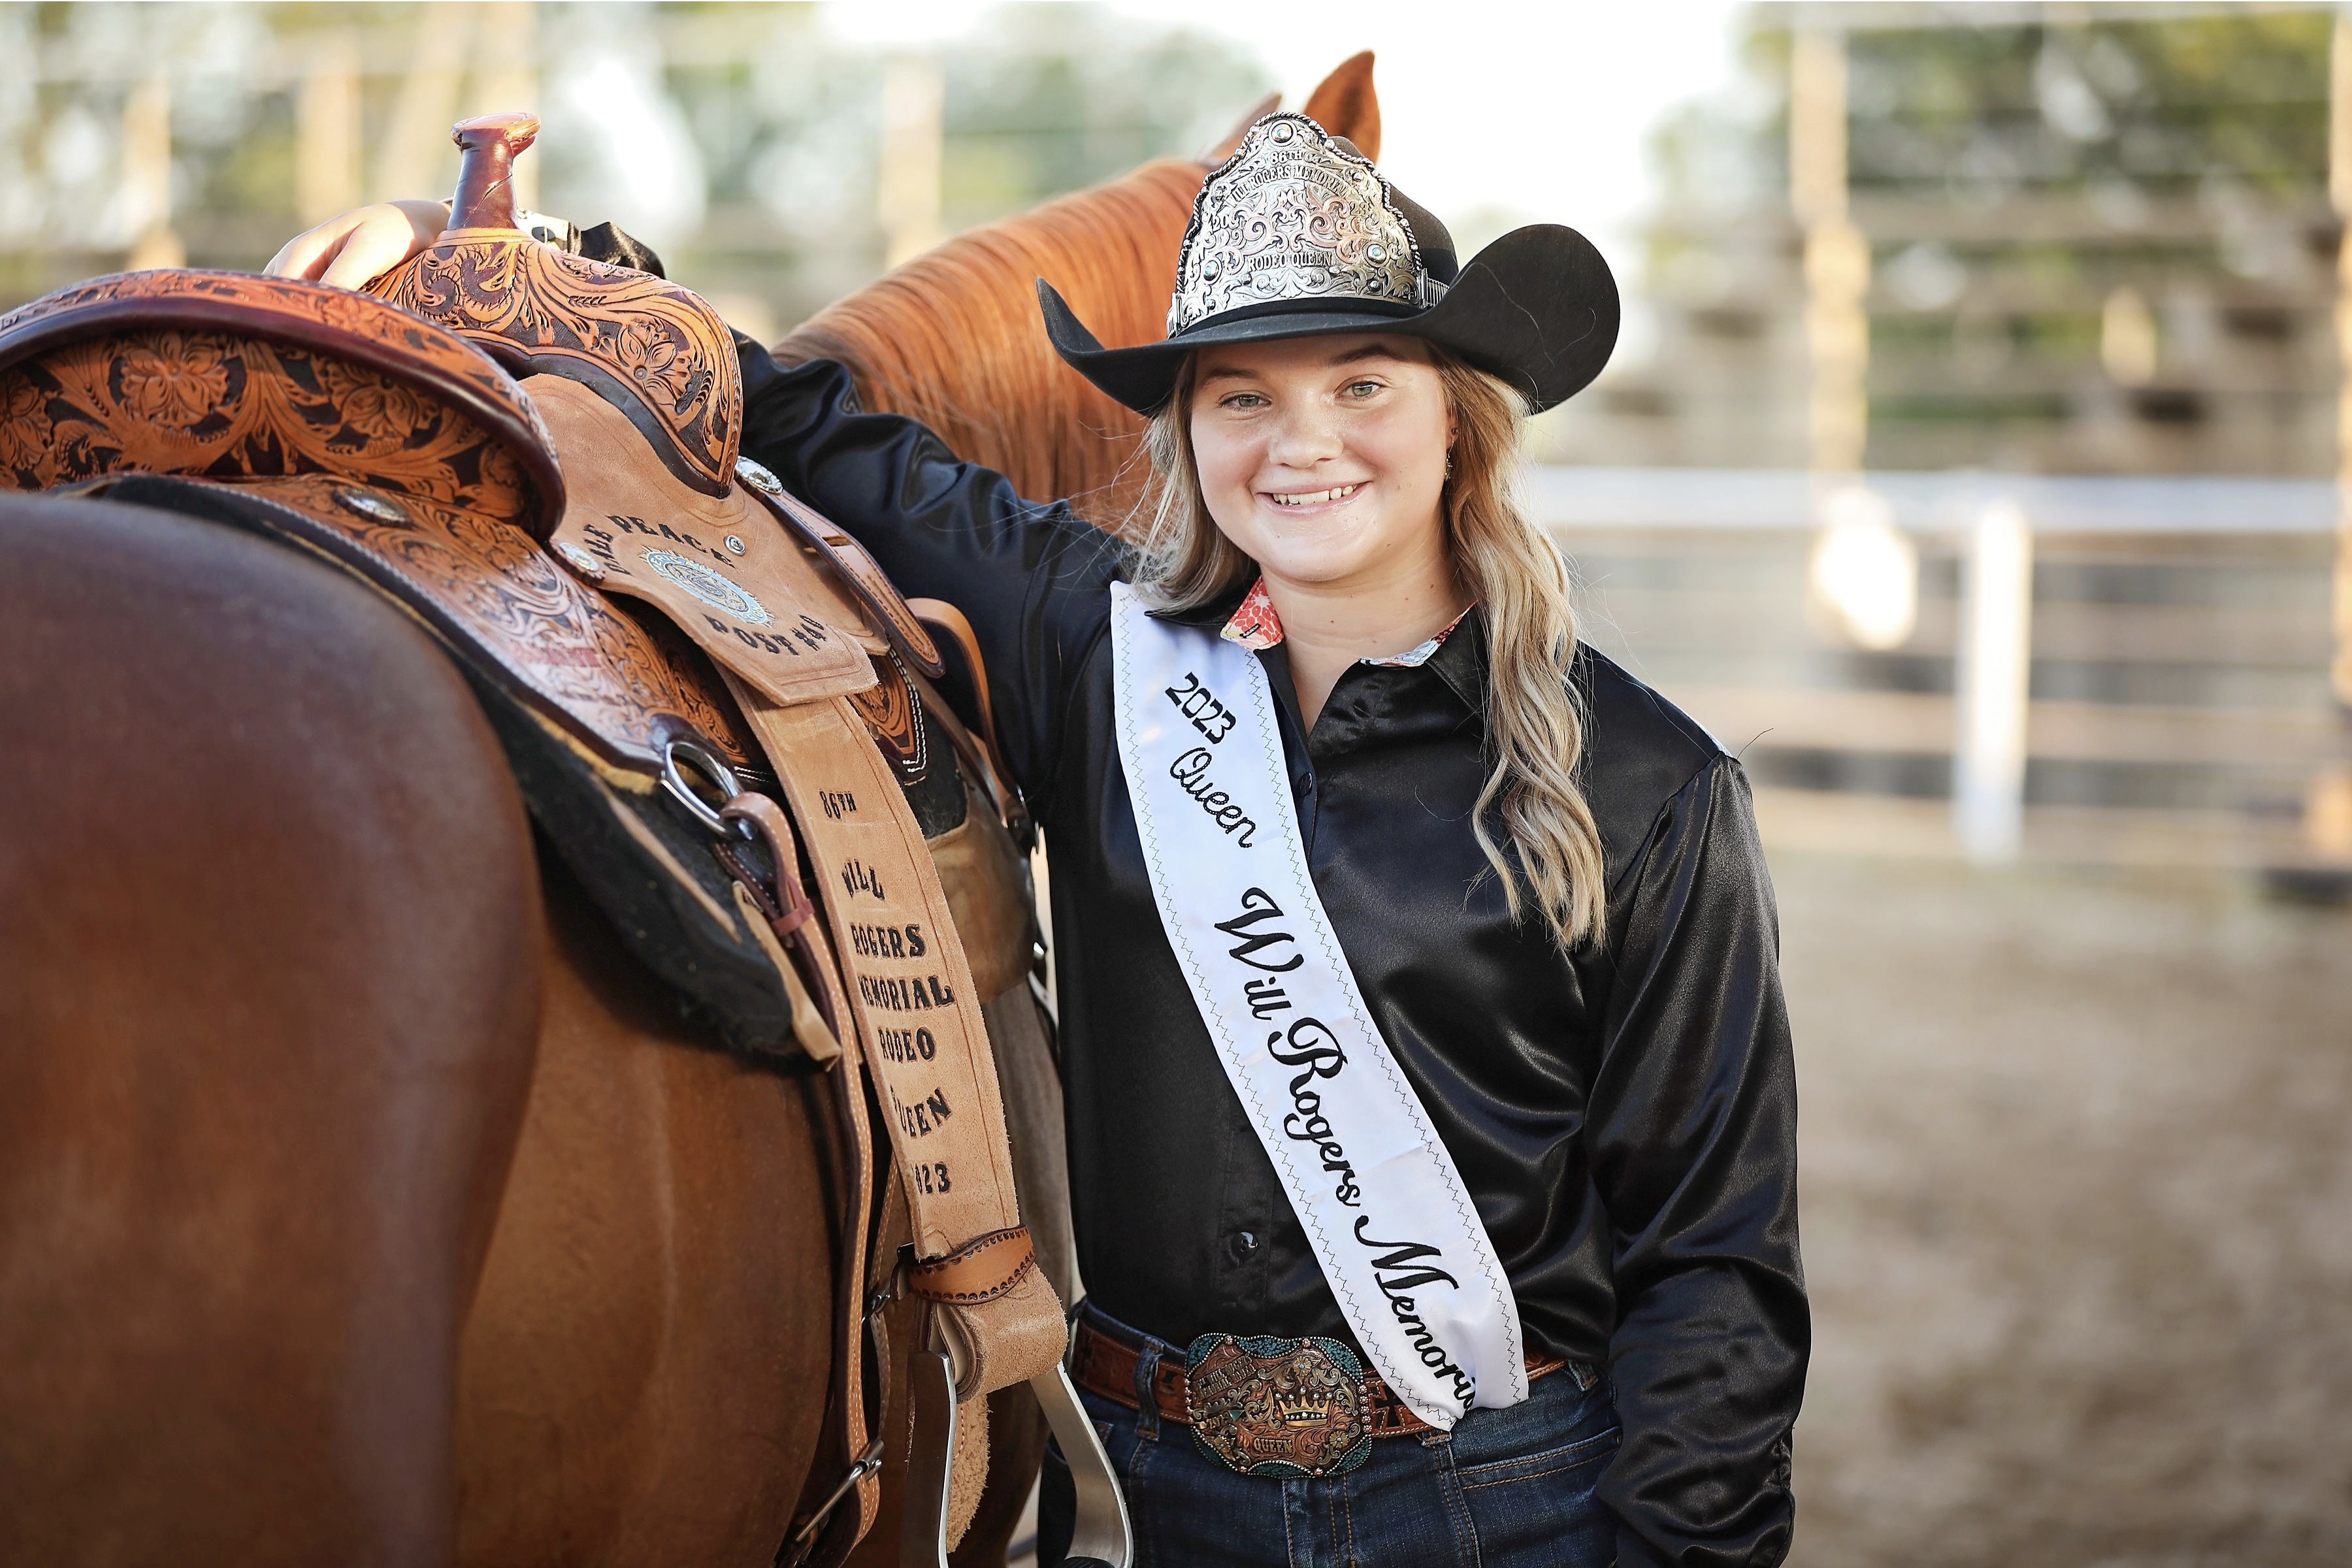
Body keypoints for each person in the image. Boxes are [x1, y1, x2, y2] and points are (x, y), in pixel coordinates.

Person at [272, 112, 1806, 1568]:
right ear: (1190, 431)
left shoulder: (1645, 781)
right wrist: (478, 255)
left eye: (1362, 383)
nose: (1302, 442)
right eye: (1242, 395)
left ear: (1457, 416)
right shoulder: (1104, 652)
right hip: (1156, 1500)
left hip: (1504, 1499)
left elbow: (1716, 1268)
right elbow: (795, 413)